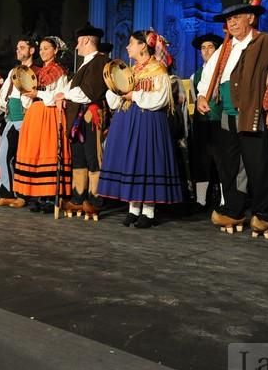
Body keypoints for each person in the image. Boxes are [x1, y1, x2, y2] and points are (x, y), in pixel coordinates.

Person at [196, 0, 268, 239]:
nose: (231, 23)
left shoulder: (264, 42)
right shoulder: (225, 49)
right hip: (226, 116)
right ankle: (234, 209)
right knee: (229, 167)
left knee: (258, 166)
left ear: (250, 18)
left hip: (250, 114)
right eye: (228, 19)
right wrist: (201, 95)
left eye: (236, 17)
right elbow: (209, 73)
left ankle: (263, 215)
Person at [98, 30, 183, 228]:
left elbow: (160, 99)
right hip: (127, 119)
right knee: (131, 161)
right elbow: (115, 99)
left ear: (143, 46)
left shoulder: (157, 70)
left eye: (131, 43)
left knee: (146, 160)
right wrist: (115, 89)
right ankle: (133, 209)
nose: (128, 47)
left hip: (148, 120)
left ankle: (148, 210)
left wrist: (134, 96)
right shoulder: (131, 71)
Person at [13, 36, 72, 213]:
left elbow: (59, 95)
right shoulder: (37, 72)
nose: (43, 51)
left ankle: (49, 196)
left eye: (47, 48)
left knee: (48, 151)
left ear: (55, 51)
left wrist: (38, 93)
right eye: (42, 49)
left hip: (50, 113)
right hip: (35, 113)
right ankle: (37, 194)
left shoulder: (59, 71)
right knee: (35, 153)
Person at [58, 23, 110, 218]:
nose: (77, 46)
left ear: (87, 40)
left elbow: (88, 92)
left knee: (93, 157)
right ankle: (78, 198)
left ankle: (95, 199)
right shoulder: (85, 63)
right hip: (79, 118)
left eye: (79, 42)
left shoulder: (99, 61)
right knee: (79, 157)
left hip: (91, 115)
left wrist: (65, 94)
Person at [0, 37, 37, 208]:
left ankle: (22, 195)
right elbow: (5, 94)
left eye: (22, 47)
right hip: (11, 117)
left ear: (31, 50)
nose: (18, 50)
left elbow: (32, 96)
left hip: (25, 119)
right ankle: (8, 193)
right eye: (17, 47)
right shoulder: (13, 71)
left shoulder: (36, 71)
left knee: (20, 158)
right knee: (4, 157)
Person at [188, 33, 224, 211]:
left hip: (220, 121)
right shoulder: (196, 76)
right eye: (203, 48)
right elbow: (193, 100)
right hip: (202, 123)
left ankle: (225, 200)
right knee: (201, 161)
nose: (206, 51)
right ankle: (201, 201)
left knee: (222, 161)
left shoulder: (224, 71)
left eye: (210, 47)